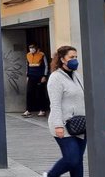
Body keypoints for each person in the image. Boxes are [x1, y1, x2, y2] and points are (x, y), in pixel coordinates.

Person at [44, 46, 86, 177]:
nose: (75, 60)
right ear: (62, 59)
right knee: (72, 159)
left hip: (80, 124)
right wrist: (58, 125)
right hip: (63, 125)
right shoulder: (55, 78)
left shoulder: (77, 76)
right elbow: (55, 104)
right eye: (71, 57)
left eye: (76, 57)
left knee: (78, 161)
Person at [22, 44, 50, 117]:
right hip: (31, 76)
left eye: (33, 48)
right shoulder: (28, 55)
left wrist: (44, 76)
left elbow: (46, 66)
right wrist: (27, 75)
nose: (31, 49)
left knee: (40, 93)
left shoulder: (41, 55)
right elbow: (27, 65)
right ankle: (28, 110)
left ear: (37, 49)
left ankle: (42, 110)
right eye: (30, 48)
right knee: (29, 93)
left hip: (40, 77)